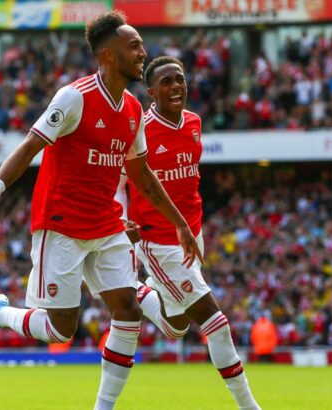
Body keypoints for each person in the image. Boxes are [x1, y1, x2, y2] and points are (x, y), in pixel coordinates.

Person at [0, 11, 202, 410]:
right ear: (108, 55)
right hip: (62, 225)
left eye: (142, 45)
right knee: (60, 330)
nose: (143, 53)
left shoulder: (133, 110)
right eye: (134, 46)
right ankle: (0, 313)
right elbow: (29, 148)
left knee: (128, 310)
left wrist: (180, 225)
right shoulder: (75, 97)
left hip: (106, 224)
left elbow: (142, 176)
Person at [116, 56, 261, 410]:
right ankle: (249, 406)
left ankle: (139, 292)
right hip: (158, 239)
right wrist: (120, 218)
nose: (176, 86)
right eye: (166, 81)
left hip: (193, 235)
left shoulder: (194, 122)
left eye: (179, 79)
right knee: (216, 322)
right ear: (151, 92)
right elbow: (118, 181)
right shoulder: (139, 130)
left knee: (176, 326)